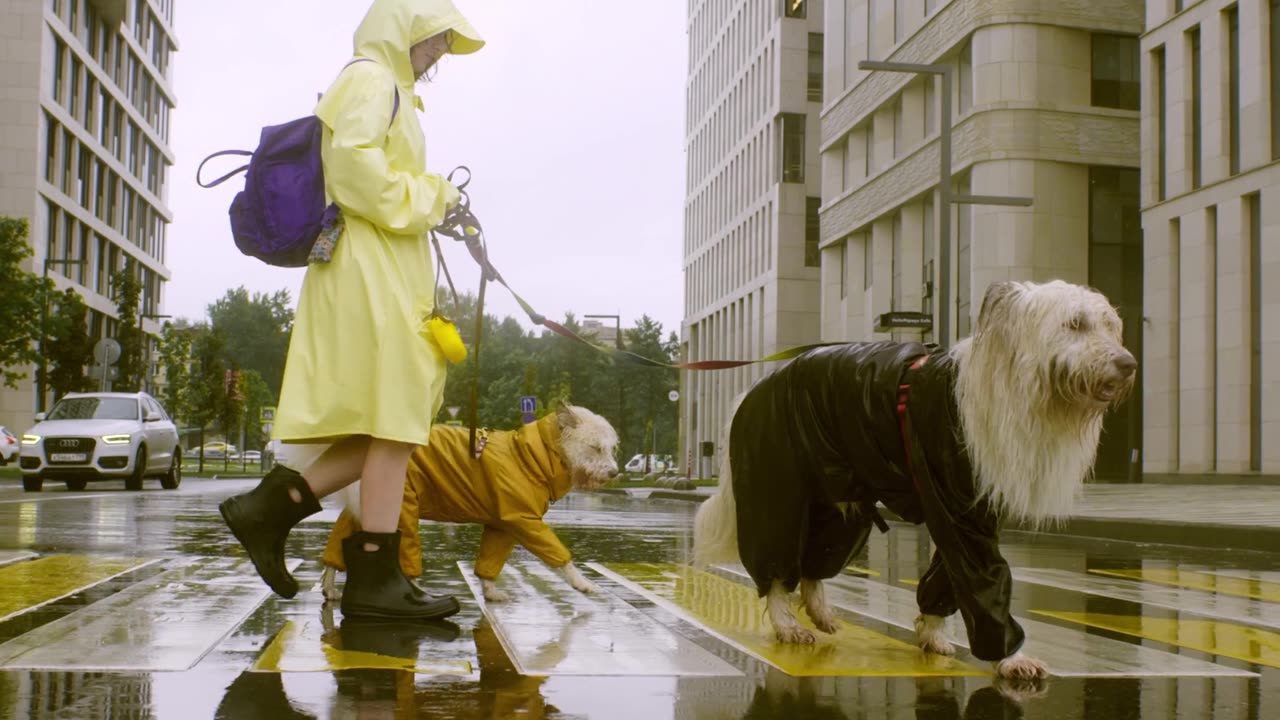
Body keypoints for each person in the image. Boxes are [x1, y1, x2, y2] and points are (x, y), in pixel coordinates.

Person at [218, 0, 485, 622]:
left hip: (379, 267)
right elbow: (357, 175)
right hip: (369, 271)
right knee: (394, 422)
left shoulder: (384, 85)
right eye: (436, 38)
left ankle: (290, 523)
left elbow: (368, 177)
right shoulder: (371, 79)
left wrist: (432, 203)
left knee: (390, 423)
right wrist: (436, 196)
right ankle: (369, 574)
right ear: (406, 27)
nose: (441, 52)